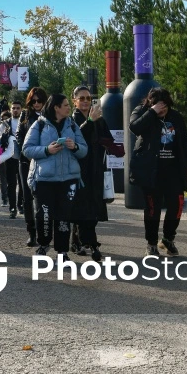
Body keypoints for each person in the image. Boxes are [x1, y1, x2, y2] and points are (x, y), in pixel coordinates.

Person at [21, 93, 88, 260]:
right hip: (44, 180)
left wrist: (75, 147)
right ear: (56, 108)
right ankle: (43, 244)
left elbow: (84, 150)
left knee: (64, 216)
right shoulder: (39, 125)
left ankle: (62, 251)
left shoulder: (72, 125)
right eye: (65, 105)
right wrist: (46, 150)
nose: (69, 107)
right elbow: (26, 149)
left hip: (68, 180)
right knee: (44, 215)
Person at [128, 87, 187, 259]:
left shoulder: (175, 117)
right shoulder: (141, 111)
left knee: (177, 205)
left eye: (164, 107)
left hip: (173, 170)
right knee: (152, 208)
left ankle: (168, 239)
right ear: (151, 104)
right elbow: (134, 127)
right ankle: (151, 243)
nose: (162, 110)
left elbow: (184, 140)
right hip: (151, 170)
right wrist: (151, 112)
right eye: (158, 107)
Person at [66, 85, 122, 261]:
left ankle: (78, 240)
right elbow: (75, 139)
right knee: (82, 208)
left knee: (94, 207)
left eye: (88, 99)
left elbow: (108, 139)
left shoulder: (99, 119)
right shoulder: (70, 121)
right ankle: (92, 243)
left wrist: (112, 147)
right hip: (78, 170)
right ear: (74, 101)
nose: (85, 102)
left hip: (97, 168)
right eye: (81, 98)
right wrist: (89, 122)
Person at [17, 87, 49, 246]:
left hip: (44, 161)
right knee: (27, 197)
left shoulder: (50, 115)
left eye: (40, 100)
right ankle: (32, 232)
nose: (36, 104)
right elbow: (18, 136)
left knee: (43, 198)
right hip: (26, 161)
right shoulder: (25, 115)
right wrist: (27, 152)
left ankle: (45, 230)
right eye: (34, 100)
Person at [0, 106, 21, 217]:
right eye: (14, 108)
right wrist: (5, 136)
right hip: (10, 157)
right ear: (11, 110)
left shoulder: (25, 121)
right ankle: (13, 208)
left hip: (23, 157)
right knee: (11, 183)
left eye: (18, 108)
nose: (15, 110)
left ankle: (20, 204)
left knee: (23, 183)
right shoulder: (5, 123)